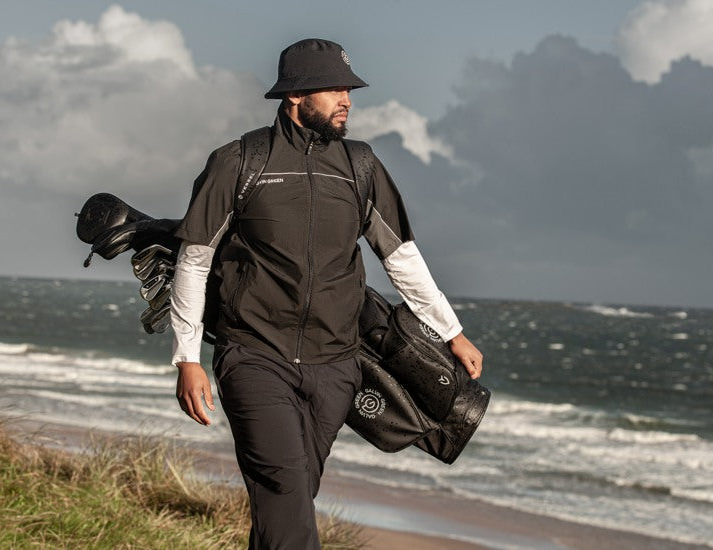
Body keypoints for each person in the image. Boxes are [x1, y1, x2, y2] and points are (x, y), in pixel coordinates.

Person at [170, 38, 483, 549]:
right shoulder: (240, 162)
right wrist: (187, 358)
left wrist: (452, 332)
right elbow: (194, 259)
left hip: (337, 365)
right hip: (254, 355)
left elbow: (400, 256)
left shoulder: (360, 166)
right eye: (334, 89)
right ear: (295, 96)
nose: (347, 100)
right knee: (284, 486)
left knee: (288, 502)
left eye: (348, 90)